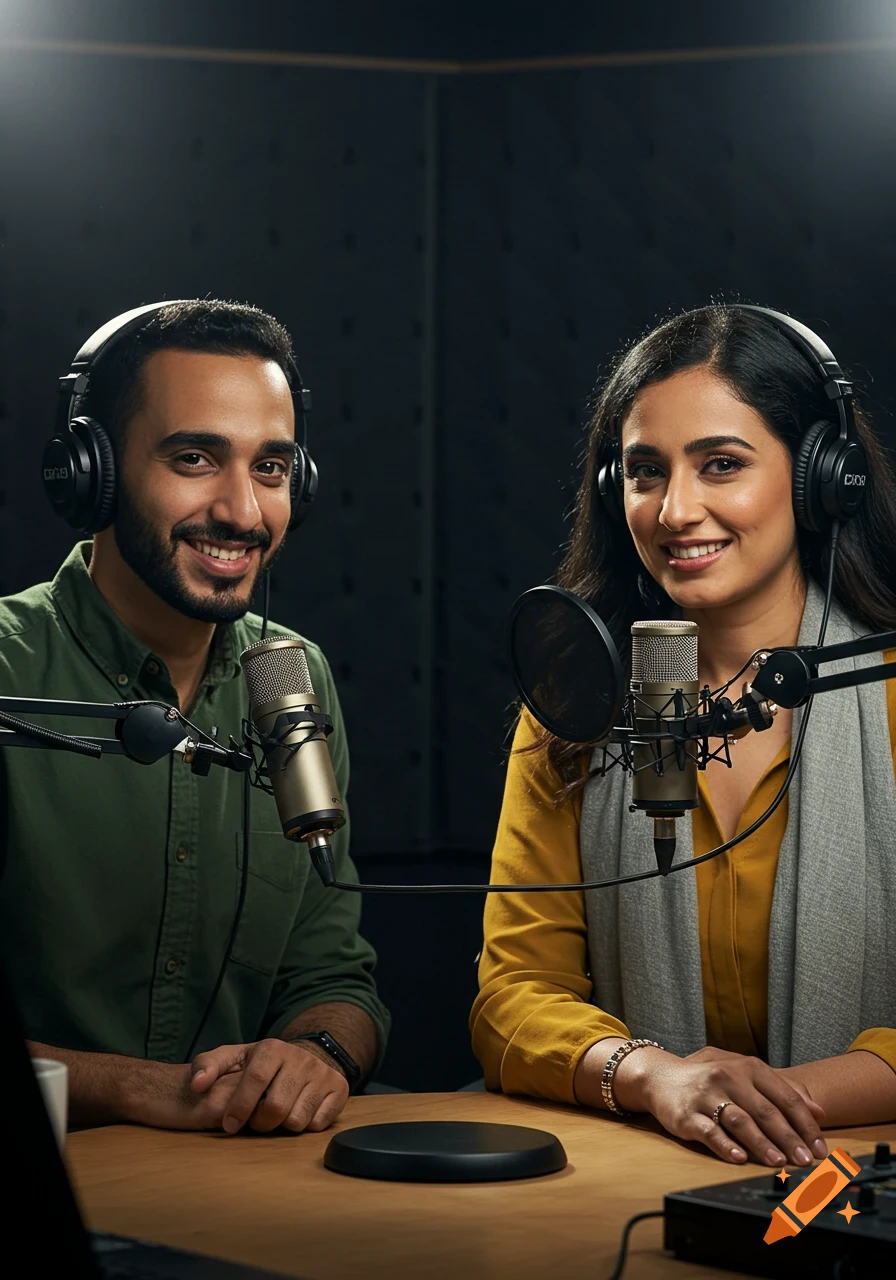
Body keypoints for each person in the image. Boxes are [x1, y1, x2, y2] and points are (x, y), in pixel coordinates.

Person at [471, 304, 896, 1167]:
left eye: (722, 465)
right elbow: (515, 995)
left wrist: (765, 1104)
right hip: (635, 1171)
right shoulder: (572, 711)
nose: (675, 510)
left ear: (821, 478)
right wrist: (654, 1077)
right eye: (644, 472)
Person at [0, 299, 389, 1135]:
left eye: (273, 468)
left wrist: (316, 1051)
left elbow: (335, 979)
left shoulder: (290, 675)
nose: (243, 512)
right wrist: (144, 1091)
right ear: (90, 471)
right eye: (194, 458)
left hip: (231, 1192)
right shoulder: (8, 669)